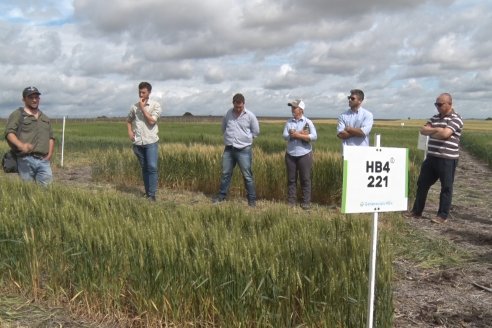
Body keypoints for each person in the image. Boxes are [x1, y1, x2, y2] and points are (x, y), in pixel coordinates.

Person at [405, 93, 463, 224]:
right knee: (422, 184)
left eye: (440, 104)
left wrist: (435, 131)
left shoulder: (456, 118)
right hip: (431, 157)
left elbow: (446, 134)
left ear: (449, 104)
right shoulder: (435, 117)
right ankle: (416, 211)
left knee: (446, 188)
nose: (437, 107)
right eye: (436, 104)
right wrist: (438, 130)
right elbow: (423, 130)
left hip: (447, 159)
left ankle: (442, 216)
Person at [213, 93, 260, 207]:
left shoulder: (250, 116)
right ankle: (222, 196)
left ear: (244, 104)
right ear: (233, 104)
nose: (238, 109)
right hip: (229, 149)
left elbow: (256, 131)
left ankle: (251, 200)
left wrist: (246, 139)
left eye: (240, 107)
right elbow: (223, 128)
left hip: (244, 149)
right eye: (236, 106)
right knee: (225, 174)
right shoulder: (228, 114)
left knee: (247, 175)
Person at [4, 86, 55, 186]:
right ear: (24, 99)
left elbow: (51, 137)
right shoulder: (18, 114)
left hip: (44, 161)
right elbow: (9, 133)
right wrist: (21, 145)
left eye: (36, 97)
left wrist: (49, 155)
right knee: (28, 190)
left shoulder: (45, 118)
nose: (34, 100)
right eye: (31, 97)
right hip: (25, 160)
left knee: (47, 191)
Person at [127, 82, 162, 201]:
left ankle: (152, 195)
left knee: (152, 167)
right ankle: (148, 193)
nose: (141, 94)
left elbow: (152, 121)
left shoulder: (155, 105)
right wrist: (130, 132)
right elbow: (128, 120)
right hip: (138, 143)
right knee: (144, 168)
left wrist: (142, 108)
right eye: (139, 92)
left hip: (151, 142)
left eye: (143, 92)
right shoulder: (133, 107)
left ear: (149, 93)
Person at [283, 99, 318, 209]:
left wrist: (296, 135)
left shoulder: (307, 122)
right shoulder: (289, 122)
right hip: (290, 154)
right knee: (291, 179)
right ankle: (291, 202)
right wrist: (300, 134)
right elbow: (284, 136)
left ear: (301, 109)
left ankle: (306, 202)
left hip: (304, 154)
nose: (292, 109)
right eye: (292, 107)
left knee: (305, 179)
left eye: (294, 107)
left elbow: (314, 136)